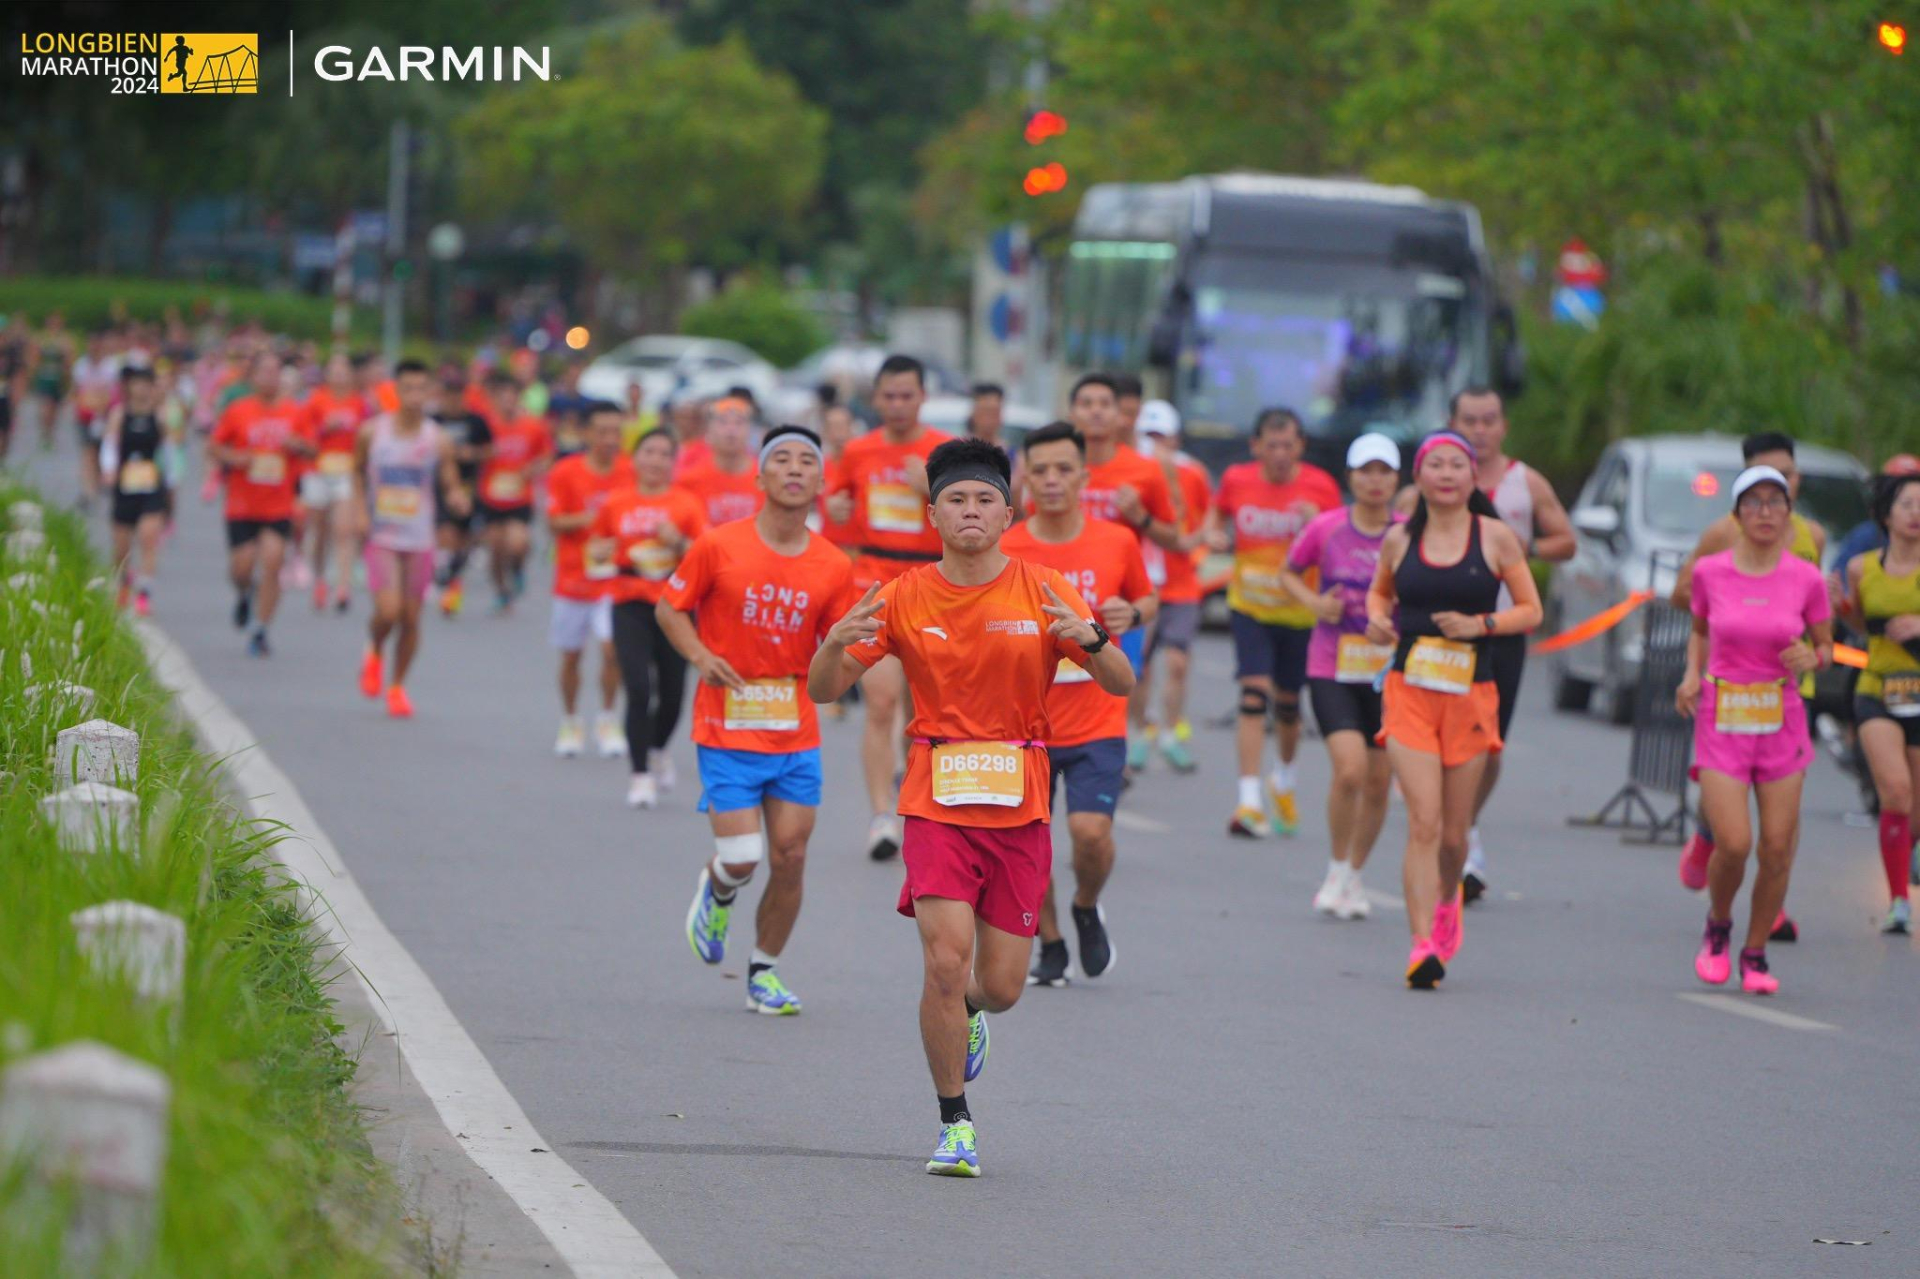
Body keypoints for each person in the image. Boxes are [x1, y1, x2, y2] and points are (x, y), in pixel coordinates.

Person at [807, 436, 1134, 1177]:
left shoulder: (1044, 589)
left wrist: (1093, 637)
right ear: (933, 514)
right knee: (945, 961)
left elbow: (1117, 682)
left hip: (1019, 801)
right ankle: (955, 1120)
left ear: (1009, 513)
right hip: (935, 796)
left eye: (985, 499)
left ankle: (975, 1014)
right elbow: (825, 690)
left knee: (1002, 986)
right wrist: (833, 644)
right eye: (956, 499)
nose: (971, 511)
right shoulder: (900, 595)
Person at [664, 426, 858, 1015]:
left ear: (822, 482)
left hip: (795, 728)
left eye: (807, 461)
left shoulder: (832, 564)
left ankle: (764, 971)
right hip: (727, 725)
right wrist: (701, 656)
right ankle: (720, 886)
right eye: (782, 459)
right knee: (744, 856)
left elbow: (841, 645)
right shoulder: (718, 545)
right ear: (760, 476)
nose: (795, 469)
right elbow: (669, 608)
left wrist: (858, 657)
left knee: (792, 856)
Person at [1366, 432, 1541, 987]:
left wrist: (1481, 625)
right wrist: (1376, 618)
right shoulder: (1399, 539)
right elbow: (1380, 593)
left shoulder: (1495, 538)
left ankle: (1447, 901)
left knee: (1453, 834)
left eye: (1456, 465)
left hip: (1471, 695)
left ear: (1472, 478)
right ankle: (1421, 944)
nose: (1445, 473)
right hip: (1409, 690)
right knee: (1423, 820)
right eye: (1434, 464)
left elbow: (1530, 610)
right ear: (1419, 477)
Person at [1002, 423, 1156, 987]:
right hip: (1023, 724)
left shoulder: (1116, 541)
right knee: (1031, 846)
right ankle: (1050, 943)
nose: (1050, 480)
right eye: (1039, 469)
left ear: (1083, 477)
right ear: (1025, 477)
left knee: (1090, 834)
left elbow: (1147, 598)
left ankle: (1086, 905)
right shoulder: (1007, 547)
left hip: (1096, 718)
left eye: (1063, 469)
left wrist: (1131, 615)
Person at [1675, 466, 1832, 994]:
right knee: (1736, 842)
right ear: (1737, 514)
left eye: (1775, 502)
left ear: (1789, 514)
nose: (1765, 512)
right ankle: (1719, 926)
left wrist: (1812, 655)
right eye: (1754, 502)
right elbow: (1698, 630)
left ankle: (1756, 951)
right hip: (1723, 715)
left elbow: (1826, 648)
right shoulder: (1711, 572)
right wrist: (1691, 675)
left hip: (1781, 718)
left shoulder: (1806, 579)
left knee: (1779, 846)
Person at [1443, 388, 1576, 902]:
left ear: (1503, 427)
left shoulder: (1526, 482)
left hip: (1503, 629)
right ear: (1452, 422)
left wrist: (1530, 547)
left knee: (1489, 743)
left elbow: (1567, 540)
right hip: (1446, 630)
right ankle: (1461, 841)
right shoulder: (1436, 480)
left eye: (1489, 420)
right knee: (1448, 740)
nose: (1479, 429)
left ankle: (1465, 825)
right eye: (1469, 420)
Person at [825, 354, 954, 861]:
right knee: (880, 703)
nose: (898, 404)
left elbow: (975, 513)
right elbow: (838, 504)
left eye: (908, 395)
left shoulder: (942, 450)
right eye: (889, 395)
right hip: (875, 581)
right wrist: (835, 507)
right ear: (876, 399)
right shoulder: (858, 451)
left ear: (922, 397)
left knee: (923, 712)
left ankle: (915, 802)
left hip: (932, 584)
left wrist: (931, 487)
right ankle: (881, 815)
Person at [1281, 434, 1402, 920]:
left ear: (1396, 479)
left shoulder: (1409, 533)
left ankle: (1354, 873)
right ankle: (1335, 866)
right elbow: (1288, 572)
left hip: (1389, 671)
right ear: (1351, 477)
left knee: (1379, 781)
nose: (1375, 481)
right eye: (1365, 471)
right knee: (1350, 769)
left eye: (1384, 471)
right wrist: (1315, 603)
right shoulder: (1328, 527)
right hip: (1332, 664)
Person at [1210, 408, 1343, 837]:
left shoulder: (1320, 488)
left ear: (1301, 446)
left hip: (1301, 610)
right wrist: (1213, 534)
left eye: (1289, 445)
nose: (1281, 454)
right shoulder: (1236, 479)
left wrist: (1316, 524)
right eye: (1272, 445)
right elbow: (1216, 519)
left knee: (1288, 705)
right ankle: (1248, 801)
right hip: (1249, 605)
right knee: (1254, 694)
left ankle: (1282, 779)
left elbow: (1340, 544)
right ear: (1256, 447)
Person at [594, 429, 707, 807]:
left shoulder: (687, 504)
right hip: (630, 604)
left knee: (673, 694)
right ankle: (639, 773)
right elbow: (596, 554)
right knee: (639, 688)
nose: (656, 460)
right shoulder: (616, 503)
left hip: (675, 606)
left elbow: (705, 557)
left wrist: (678, 542)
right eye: (649, 452)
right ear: (635, 458)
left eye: (664, 453)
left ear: (673, 462)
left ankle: (658, 747)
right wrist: (600, 551)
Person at [352, 361, 466, 719]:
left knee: (412, 618)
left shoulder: (437, 438)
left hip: (420, 538)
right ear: (396, 391)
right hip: (383, 535)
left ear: (430, 393)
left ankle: (397, 685)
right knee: (389, 611)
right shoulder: (373, 433)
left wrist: (457, 495)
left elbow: (449, 479)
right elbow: (356, 471)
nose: (415, 396)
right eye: (409, 388)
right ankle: (374, 649)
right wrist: (359, 509)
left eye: (422, 389)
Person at [1843, 471, 1920, 934]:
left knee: (1915, 812)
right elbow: (1858, 626)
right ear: (1887, 514)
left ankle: (1905, 851)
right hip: (1878, 690)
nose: (1917, 513)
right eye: (1908, 503)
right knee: (1894, 791)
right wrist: (1839, 609)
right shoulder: (1862, 568)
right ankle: (1898, 901)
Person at [545, 403, 637, 758]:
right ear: (586, 433)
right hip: (573, 580)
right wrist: (594, 518)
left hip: (614, 580)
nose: (610, 440)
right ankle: (570, 720)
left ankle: (607, 718)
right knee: (571, 656)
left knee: (613, 651)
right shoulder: (566, 472)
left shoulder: (631, 471)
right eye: (602, 432)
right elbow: (554, 522)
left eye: (616, 432)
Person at [208, 350, 312, 656]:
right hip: (241, 504)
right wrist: (235, 457)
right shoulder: (238, 410)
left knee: (273, 561)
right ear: (253, 377)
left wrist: (299, 445)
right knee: (242, 567)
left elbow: (312, 449)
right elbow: (214, 446)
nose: (270, 377)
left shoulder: (295, 412)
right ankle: (244, 593)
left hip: (278, 505)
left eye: (275, 371)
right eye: (264, 371)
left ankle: (260, 629)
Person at [1127, 399, 1212, 774]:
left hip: (1181, 583)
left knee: (1177, 662)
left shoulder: (1193, 473)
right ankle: (1141, 730)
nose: (1155, 443)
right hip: (1143, 581)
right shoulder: (1132, 473)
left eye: (1162, 436)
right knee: (1138, 668)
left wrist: (1201, 551)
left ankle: (1171, 732)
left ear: (1175, 439)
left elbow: (1203, 519)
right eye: (1149, 435)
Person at [475, 369, 552, 612]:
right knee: (496, 548)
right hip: (490, 495)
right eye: (502, 396)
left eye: (512, 396)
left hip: (520, 495)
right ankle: (501, 591)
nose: (507, 401)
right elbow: (470, 453)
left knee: (518, 543)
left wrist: (532, 469)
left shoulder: (533, 426)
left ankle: (518, 569)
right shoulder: (485, 424)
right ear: (494, 398)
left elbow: (547, 456)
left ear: (519, 398)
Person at [299, 353, 370, 613]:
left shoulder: (360, 402)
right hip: (318, 469)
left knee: (344, 529)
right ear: (327, 374)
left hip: (347, 472)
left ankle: (342, 586)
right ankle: (319, 580)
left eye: (344, 370)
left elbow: (367, 435)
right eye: (334, 370)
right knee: (319, 530)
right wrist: (324, 429)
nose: (339, 375)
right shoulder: (315, 400)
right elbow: (304, 436)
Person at [99, 365, 171, 616]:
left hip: (151, 484)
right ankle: (123, 585)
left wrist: (170, 480)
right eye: (136, 383)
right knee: (121, 547)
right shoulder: (120, 414)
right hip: (125, 482)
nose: (140, 388)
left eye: (145, 383)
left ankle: (144, 593)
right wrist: (108, 470)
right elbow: (109, 444)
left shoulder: (159, 415)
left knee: (148, 537)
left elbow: (169, 449)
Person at [431, 360, 493, 618]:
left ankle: (454, 575)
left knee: (466, 539)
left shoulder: (476, 421)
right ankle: (444, 578)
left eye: (458, 394)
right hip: (442, 485)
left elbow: (490, 449)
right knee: (446, 532)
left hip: (470, 486)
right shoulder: (433, 421)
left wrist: (473, 453)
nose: (453, 400)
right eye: (449, 394)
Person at [676, 397, 763, 527]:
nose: (731, 430)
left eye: (739, 423)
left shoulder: (766, 480)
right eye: (723, 422)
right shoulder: (688, 481)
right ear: (709, 431)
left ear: (750, 431)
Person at [1111, 373, 1143, 449]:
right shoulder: (1082, 454)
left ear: (1139, 410)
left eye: (1130, 413)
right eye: (1118, 413)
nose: (1123, 422)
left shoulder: (1155, 457)